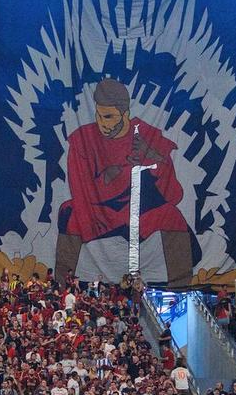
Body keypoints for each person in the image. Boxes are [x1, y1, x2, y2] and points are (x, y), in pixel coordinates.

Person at [55, 78, 193, 285]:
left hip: (137, 212)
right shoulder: (82, 139)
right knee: (71, 213)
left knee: (173, 216)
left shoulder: (146, 136)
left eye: (109, 117)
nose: (102, 123)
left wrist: (158, 161)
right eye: (99, 116)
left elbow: (174, 195)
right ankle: (61, 287)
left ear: (125, 114)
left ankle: (181, 287)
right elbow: (79, 189)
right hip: (98, 211)